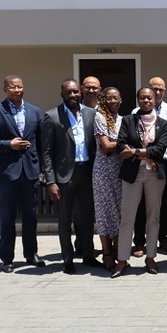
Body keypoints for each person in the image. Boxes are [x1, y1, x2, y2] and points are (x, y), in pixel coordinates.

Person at [0, 75, 45, 273]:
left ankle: (31, 254)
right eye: (13, 87)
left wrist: (42, 169)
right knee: (7, 217)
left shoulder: (34, 111)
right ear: (5, 89)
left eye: (20, 86)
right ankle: (7, 258)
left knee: (30, 216)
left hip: (30, 171)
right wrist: (9, 145)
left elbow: (40, 142)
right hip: (8, 173)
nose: (17, 90)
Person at [41, 79, 99, 274]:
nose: (73, 95)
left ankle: (89, 255)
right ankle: (67, 258)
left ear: (80, 92)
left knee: (87, 217)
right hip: (64, 176)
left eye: (76, 92)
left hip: (87, 172)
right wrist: (51, 181)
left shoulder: (91, 113)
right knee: (65, 219)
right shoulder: (52, 116)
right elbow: (47, 153)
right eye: (69, 92)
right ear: (62, 94)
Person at [111, 87, 167, 278]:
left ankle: (150, 257)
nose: (146, 100)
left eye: (149, 97)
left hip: (154, 174)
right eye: (142, 97)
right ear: (138, 100)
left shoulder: (163, 123)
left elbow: (160, 149)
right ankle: (121, 260)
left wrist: (136, 152)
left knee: (153, 217)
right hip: (132, 175)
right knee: (128, 217)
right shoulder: (128, 120)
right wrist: (146, 155)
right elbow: (121, 145)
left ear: (155, 100)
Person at [133, 76, 167, 256]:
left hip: (163, 162)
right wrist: (146, 155)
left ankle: (163, 238)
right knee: (141, 203)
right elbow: (134, 138)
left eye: (160, 89)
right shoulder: (136, 111)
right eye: (154, 89)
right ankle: (139, 242)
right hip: (141, 161)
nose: (157, 92)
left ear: (165, 91)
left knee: (164, 203)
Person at [92, 87, 123, 271]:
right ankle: (106, 252)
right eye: (109, 98)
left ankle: (119, 250)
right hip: (103, 171)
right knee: (104, 212)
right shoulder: (100, 117)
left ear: (121, 100)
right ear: (104, 100)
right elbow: (105, 146)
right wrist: (127, 144)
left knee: (118, 212)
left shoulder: (122, 119)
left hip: (119, 170)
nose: (113, 101)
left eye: (116, 98)